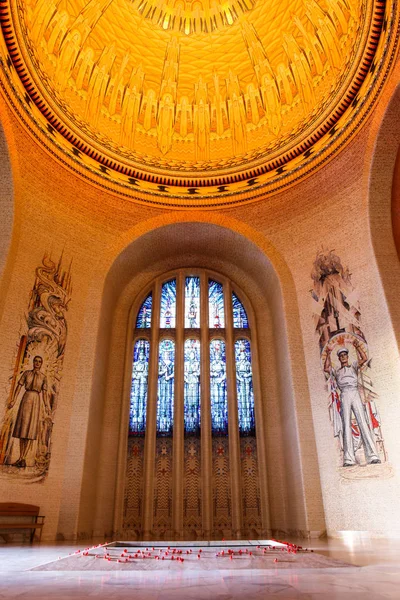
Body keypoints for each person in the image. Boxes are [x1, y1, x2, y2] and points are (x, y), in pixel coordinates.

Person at [324, 341, 381, 467]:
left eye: (345, 355)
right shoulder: (337, 371)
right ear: (339, 358)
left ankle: (372, 455)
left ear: (347, 357)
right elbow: (326, 368)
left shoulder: (353, 366)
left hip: (354, 392)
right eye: (341, 356)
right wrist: (328, 353)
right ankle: (348, 459)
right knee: (346, 425)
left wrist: (357, 346)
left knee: (362, 421)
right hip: (344, 394)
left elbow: (364, 358)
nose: (343, 357)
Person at [8, 356, 49, 468]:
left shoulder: (43, 377)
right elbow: (19, 387)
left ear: (41, 364)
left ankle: (24, 458)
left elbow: (45, 394)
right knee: (23, 428)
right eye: (36, 361)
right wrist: (13, 400)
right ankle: (21, 457)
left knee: (30, 430)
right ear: (33, 362)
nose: (37, 363)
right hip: (26, 399)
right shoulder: (26, 373)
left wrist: (46, 406)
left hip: (36, 401)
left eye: (39, 362)